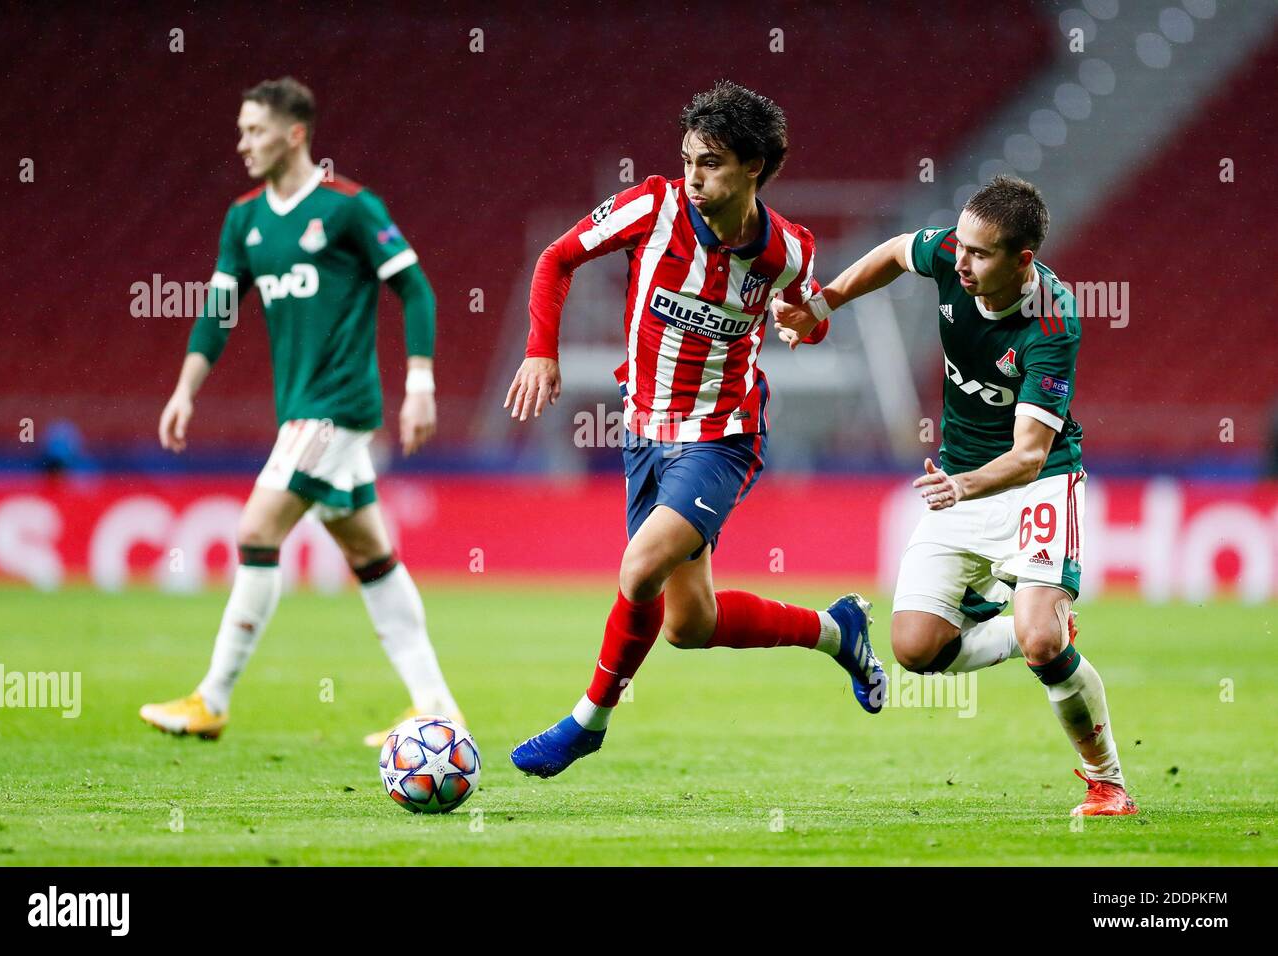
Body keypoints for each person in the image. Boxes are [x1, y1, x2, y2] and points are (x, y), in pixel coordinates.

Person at [504, 81, 885, 779]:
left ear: (753, 168)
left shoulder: (788, 251)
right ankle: (839, 631)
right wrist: (540, 348)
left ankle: (587, 721)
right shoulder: (651, 206)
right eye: (688, 160)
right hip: (644, 432)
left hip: (722, 435)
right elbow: (557, 258)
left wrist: (807, 323)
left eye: (710, 163)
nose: (694, 177)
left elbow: (813, 312)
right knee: (688, 625)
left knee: (640, 567)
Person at [773, 175, 1136, 815]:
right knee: (914, 650)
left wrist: (960, 485)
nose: (958, 262)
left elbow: (1027, 456)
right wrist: (821, 304)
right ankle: (1029, 624)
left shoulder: (1052, 323)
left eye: (978, 253)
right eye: (958, 246)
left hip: (1038, 483)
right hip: (960, 484)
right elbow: (891, 252)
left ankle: (1106, 780)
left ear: (1022, 259)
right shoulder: (952, 255)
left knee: (1044, 646)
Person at [140, 77, 462, 745]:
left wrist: (422, 383)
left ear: (294, 134)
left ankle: (212, 698)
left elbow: (417, 289)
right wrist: (185, 389)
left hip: (338, 407)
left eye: (254, 131)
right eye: (240, 130)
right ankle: (437, 705)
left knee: (258, 531)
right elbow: (219, 313)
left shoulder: (348, 208)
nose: (242, 143)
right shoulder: (245, 219)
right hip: (301, 412)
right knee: (371, 555)